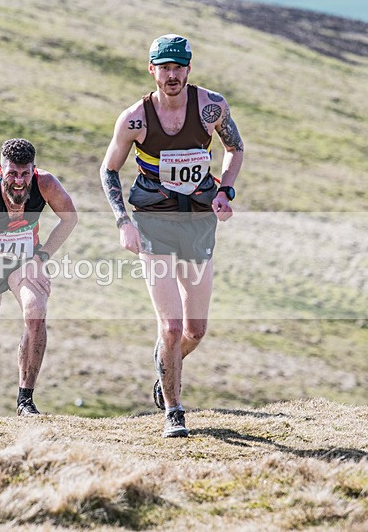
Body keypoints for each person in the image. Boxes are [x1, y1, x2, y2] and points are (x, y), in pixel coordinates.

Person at [99, 34, 244, 438]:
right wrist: (122, 221)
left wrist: (225, 190)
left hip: (198, 222)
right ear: (152, 70)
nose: (172, 75)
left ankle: (166, 364)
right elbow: (108, 169)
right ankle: (174, 412)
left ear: (188, 69)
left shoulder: (212, 106)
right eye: (164, 67)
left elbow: (235, 148)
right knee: (172, 327)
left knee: (195, 331)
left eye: (178, 67)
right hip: (154, 221)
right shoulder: (135, 119)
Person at [0, 138, 78, 418]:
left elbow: (70, 218)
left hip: (24, 260)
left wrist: (40, 257)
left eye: (24, 173)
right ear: (0, 169)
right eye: (12, 173)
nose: (19, 181)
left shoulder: (45, 184)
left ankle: (25, 400)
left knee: (36, 313)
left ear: (33, 169)